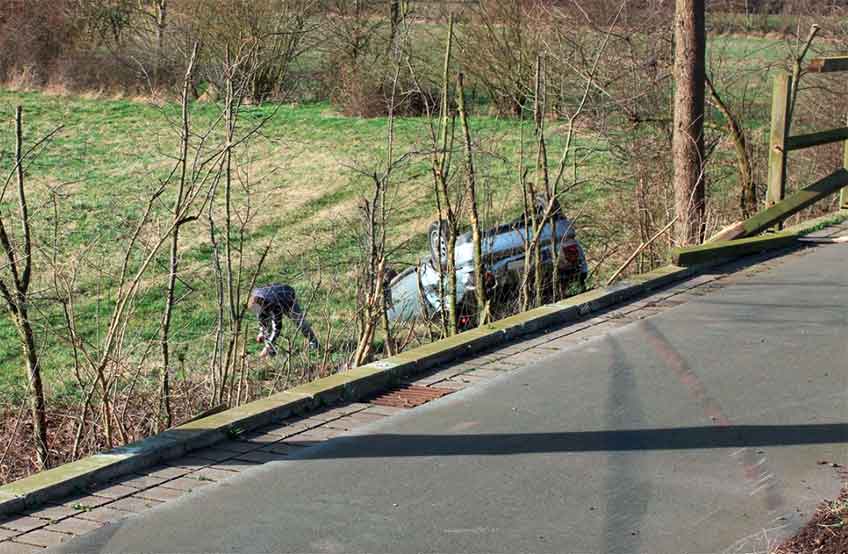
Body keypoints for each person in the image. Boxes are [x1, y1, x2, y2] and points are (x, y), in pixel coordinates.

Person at [248, 284, 319, 357]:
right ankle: (271, 353)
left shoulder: (275, 304)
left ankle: (314, 344)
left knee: (299, 321)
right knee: (266, 329)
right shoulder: (255, 299)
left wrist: (267, 347)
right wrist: (261, 332)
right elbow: (261, 318)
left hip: (287, 297)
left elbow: (277, 328)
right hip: (272, 294)